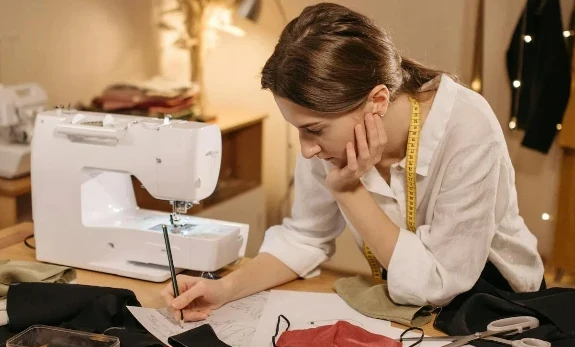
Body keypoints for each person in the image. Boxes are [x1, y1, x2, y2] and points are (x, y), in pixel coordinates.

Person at [162, 2, 544, 322]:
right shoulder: (328, 138)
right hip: (413, 310)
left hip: (500, 303)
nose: (307, 149)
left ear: (377, 101)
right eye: (299, 130)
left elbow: (438, 283)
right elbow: (305, 237)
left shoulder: (468, 126)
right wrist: (224, 288)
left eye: (314, 130)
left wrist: (349, 191)